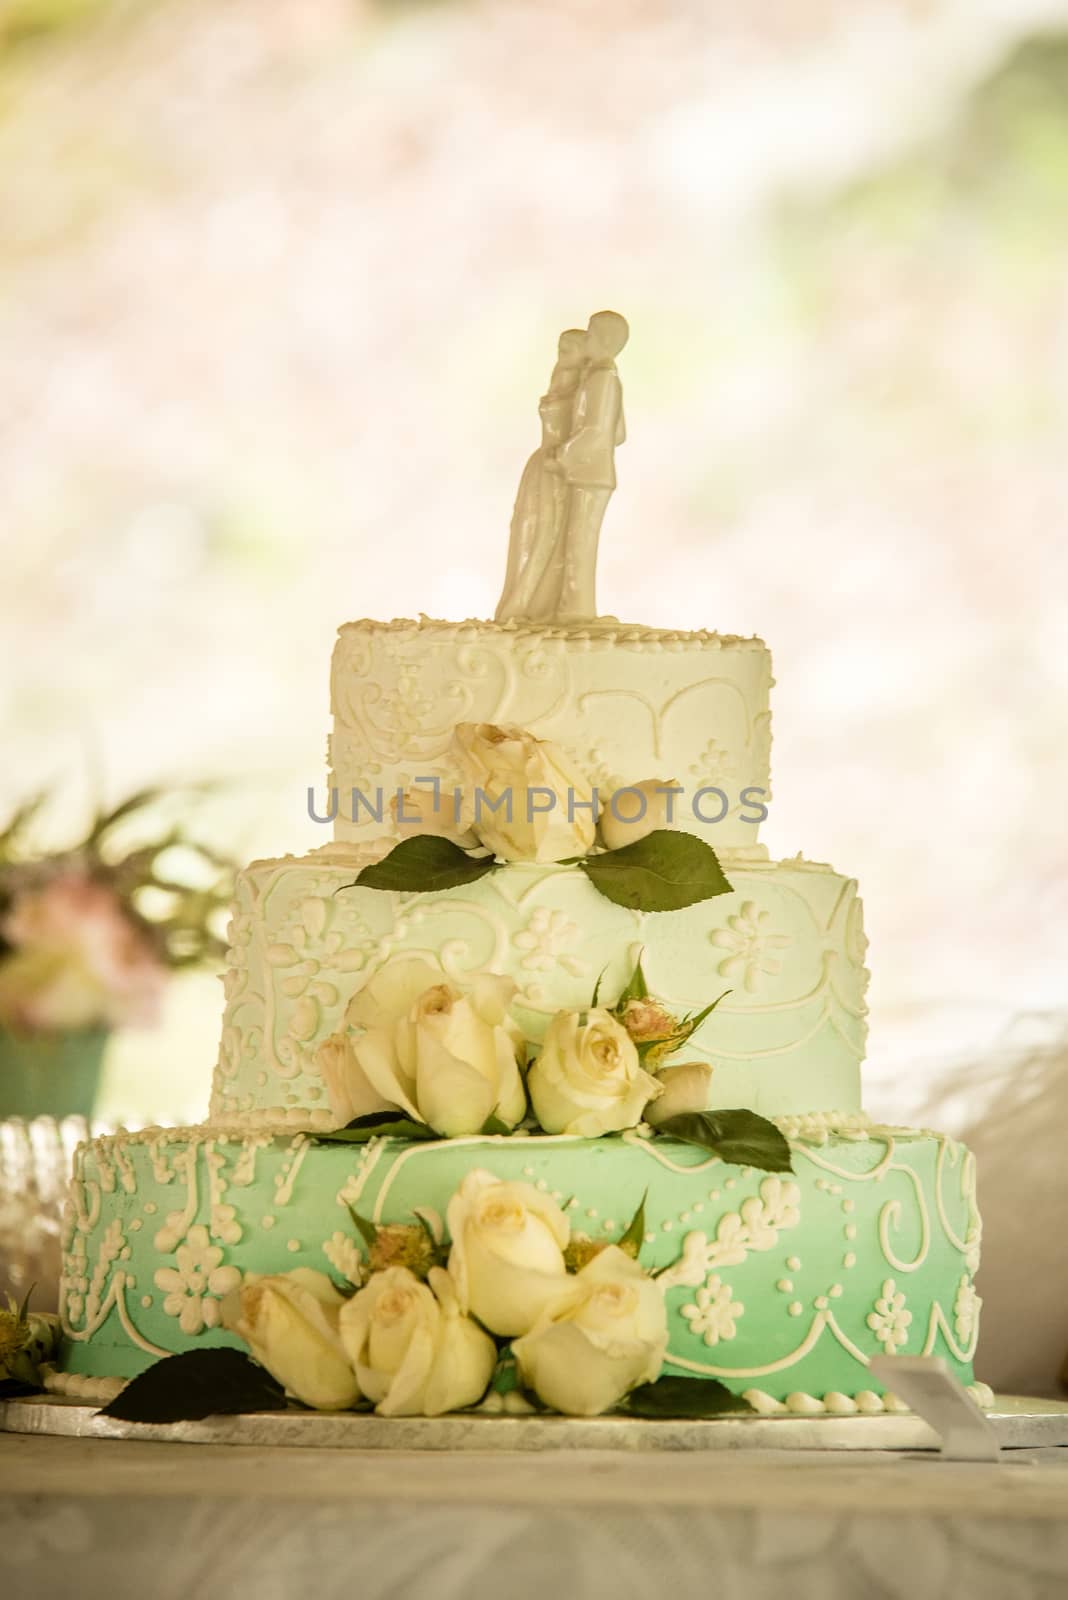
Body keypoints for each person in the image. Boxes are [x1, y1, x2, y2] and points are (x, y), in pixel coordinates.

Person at [526, 310, 628, 622]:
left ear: (607, 342)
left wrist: (563, 455)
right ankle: (568, 609)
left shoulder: (602, 379)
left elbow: (597, 431)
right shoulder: (597, 377)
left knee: (579, 545)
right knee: (574, 542)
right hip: (588, 472)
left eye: (592, 334)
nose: (587, 340)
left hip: (589, 473)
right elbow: (618, 433)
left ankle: (576, 611)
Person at [494, 328, 587, 624]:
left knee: (549, 536)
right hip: (540, 468)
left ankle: (538, 606)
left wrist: (563, 456)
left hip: (557, 469)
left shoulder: (587, 391)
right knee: (526, 533)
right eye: (562, 346)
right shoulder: (560, 385)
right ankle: (517, 602)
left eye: (570, 348)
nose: (563, 352)